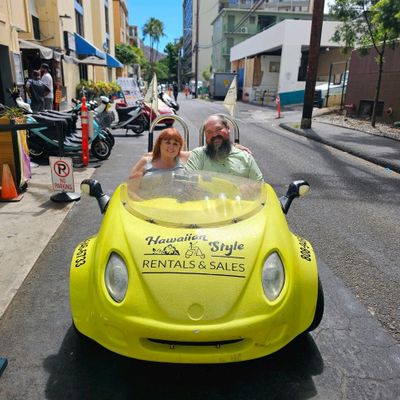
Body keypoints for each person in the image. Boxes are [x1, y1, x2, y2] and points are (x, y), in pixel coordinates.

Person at [185, 114, 263, 182]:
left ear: (228, 129)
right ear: (205, 135)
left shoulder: (245, 157)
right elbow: (188, 183)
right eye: (209, 132)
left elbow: (260, 186)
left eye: (218, 129)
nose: (214, 135)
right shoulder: (198, 155)